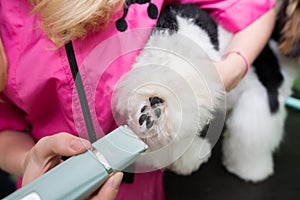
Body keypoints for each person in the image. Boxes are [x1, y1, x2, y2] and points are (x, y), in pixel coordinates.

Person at [0, 0, 276, 199]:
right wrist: (31, 161)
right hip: (50, 188)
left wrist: (229, 70)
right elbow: (4, 128)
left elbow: (254, 8)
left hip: (146, 185)